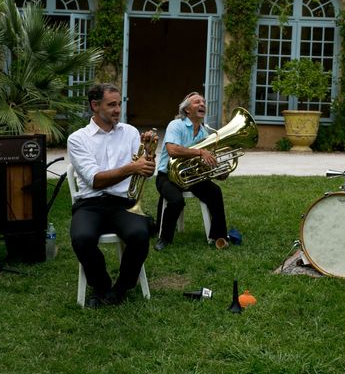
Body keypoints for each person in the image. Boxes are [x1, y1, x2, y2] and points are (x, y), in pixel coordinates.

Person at [68, 83, 155, 308]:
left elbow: (144, 173)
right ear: (95, 106)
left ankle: (121, 288)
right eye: (112, 105)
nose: (118, 109)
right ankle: (102, 286)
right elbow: (95, 180)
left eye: (119, 104)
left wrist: (148, 161)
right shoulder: (77, 139)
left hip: (123, 202)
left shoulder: (130, 132)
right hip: (90, 204)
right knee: (82, 238)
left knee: (139, 235)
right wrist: (131, 168)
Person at [154, 92, 228, 251]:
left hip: (190, 176)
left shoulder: (204, 132)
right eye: (197, 102)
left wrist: (218, 171)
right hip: (167, 176)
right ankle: (164, 238)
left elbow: (203, 163)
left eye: (203, 102)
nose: (202, 104)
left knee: (215, 191)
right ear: (187, 110)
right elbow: (172, 150)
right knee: (176, 201)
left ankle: (219, 236)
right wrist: (200, 152)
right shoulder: (176, 125)